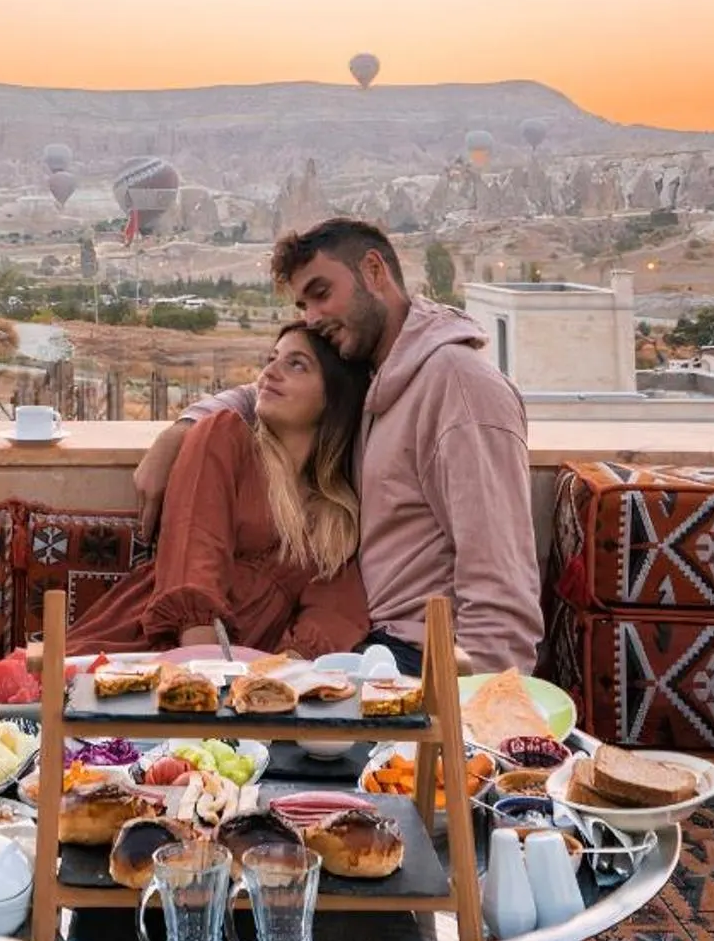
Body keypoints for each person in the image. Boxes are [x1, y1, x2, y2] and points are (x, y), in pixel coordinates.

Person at [134, 218, 543, 675]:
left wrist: (477, 715)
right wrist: (182, 429)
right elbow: (265, 392)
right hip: (366, 649)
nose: (311, 318)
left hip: (419, 660)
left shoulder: (459, 387)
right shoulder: (372, 377)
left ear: (373, 271)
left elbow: (500, 578)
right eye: (303, 304)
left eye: (322, 293)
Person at [68, 323, 370, 656]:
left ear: (334, 395)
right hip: (153, 646)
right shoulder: (225, 437)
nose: (269, 372)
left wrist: (285, 672)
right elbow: (194, 545)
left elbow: (336, 610)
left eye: (296, 364)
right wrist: (204, 671)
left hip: (242, 681)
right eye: (272, 359)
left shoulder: (334, 514)